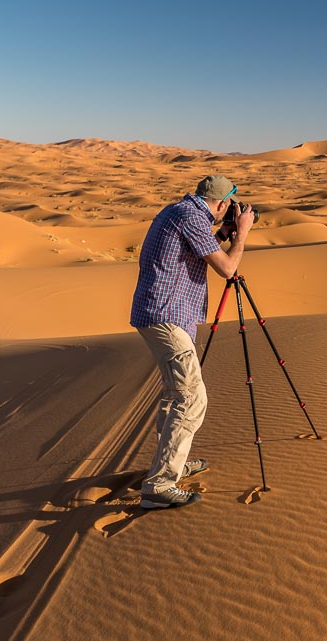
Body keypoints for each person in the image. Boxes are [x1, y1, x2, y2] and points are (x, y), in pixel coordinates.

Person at [129, 174, 255, 509]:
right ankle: (159, 486)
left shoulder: (181, 212)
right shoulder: (191, 217)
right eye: (230, 207)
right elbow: (228, 268)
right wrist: (240, 235)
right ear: (223, 202)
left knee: (175, 394)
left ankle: (171, 462)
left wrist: (221, 235)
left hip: (160, 313)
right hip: (165, 316)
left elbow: (194, 249)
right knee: (192, 399)